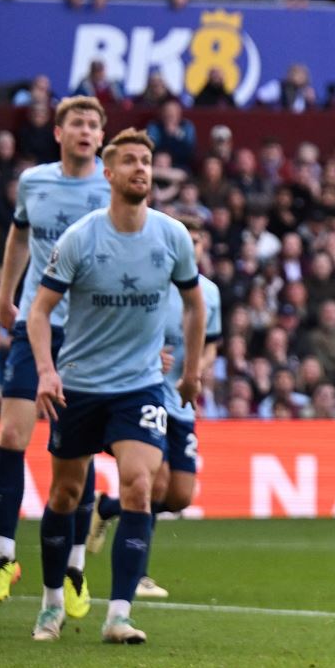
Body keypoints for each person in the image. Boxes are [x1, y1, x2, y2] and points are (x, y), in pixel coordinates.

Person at [26, 129, 205, 644]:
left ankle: (119, 613)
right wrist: (46, 370)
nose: (140, 169)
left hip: (141, 386)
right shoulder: (81, 238)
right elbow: (38, 312)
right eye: (128, 161)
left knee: (140, 486)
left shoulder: (172, 236)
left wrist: (190, 370)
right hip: (79, 387)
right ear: (109, 174)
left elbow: (194, 304)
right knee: (64, 494)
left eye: (146, 161)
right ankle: (51, 602)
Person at [0, 96, 110, 614]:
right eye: (76, 123)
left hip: (89, 335)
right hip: (37, 325)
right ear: (59, 133)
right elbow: (20, 233)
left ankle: (76, 566)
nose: (85, 131)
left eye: (92, 124)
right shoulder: (35, 182)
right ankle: (3, 557)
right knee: (12, 435)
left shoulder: (112, 187)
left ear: (101, 137)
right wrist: (5, 290)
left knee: (75, 454)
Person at [86, 216, 222, 599]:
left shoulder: (208, 293)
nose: (192, 246)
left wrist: (199, 366)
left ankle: (109, 506)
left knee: (179, 495)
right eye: (187, 239)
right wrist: (146, 355)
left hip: (183, 399)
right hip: (146, 393)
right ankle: (138, 576)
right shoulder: (151, 283)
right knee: (153, 482)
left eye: (198, 240)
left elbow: (211, 341)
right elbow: (120, 331)